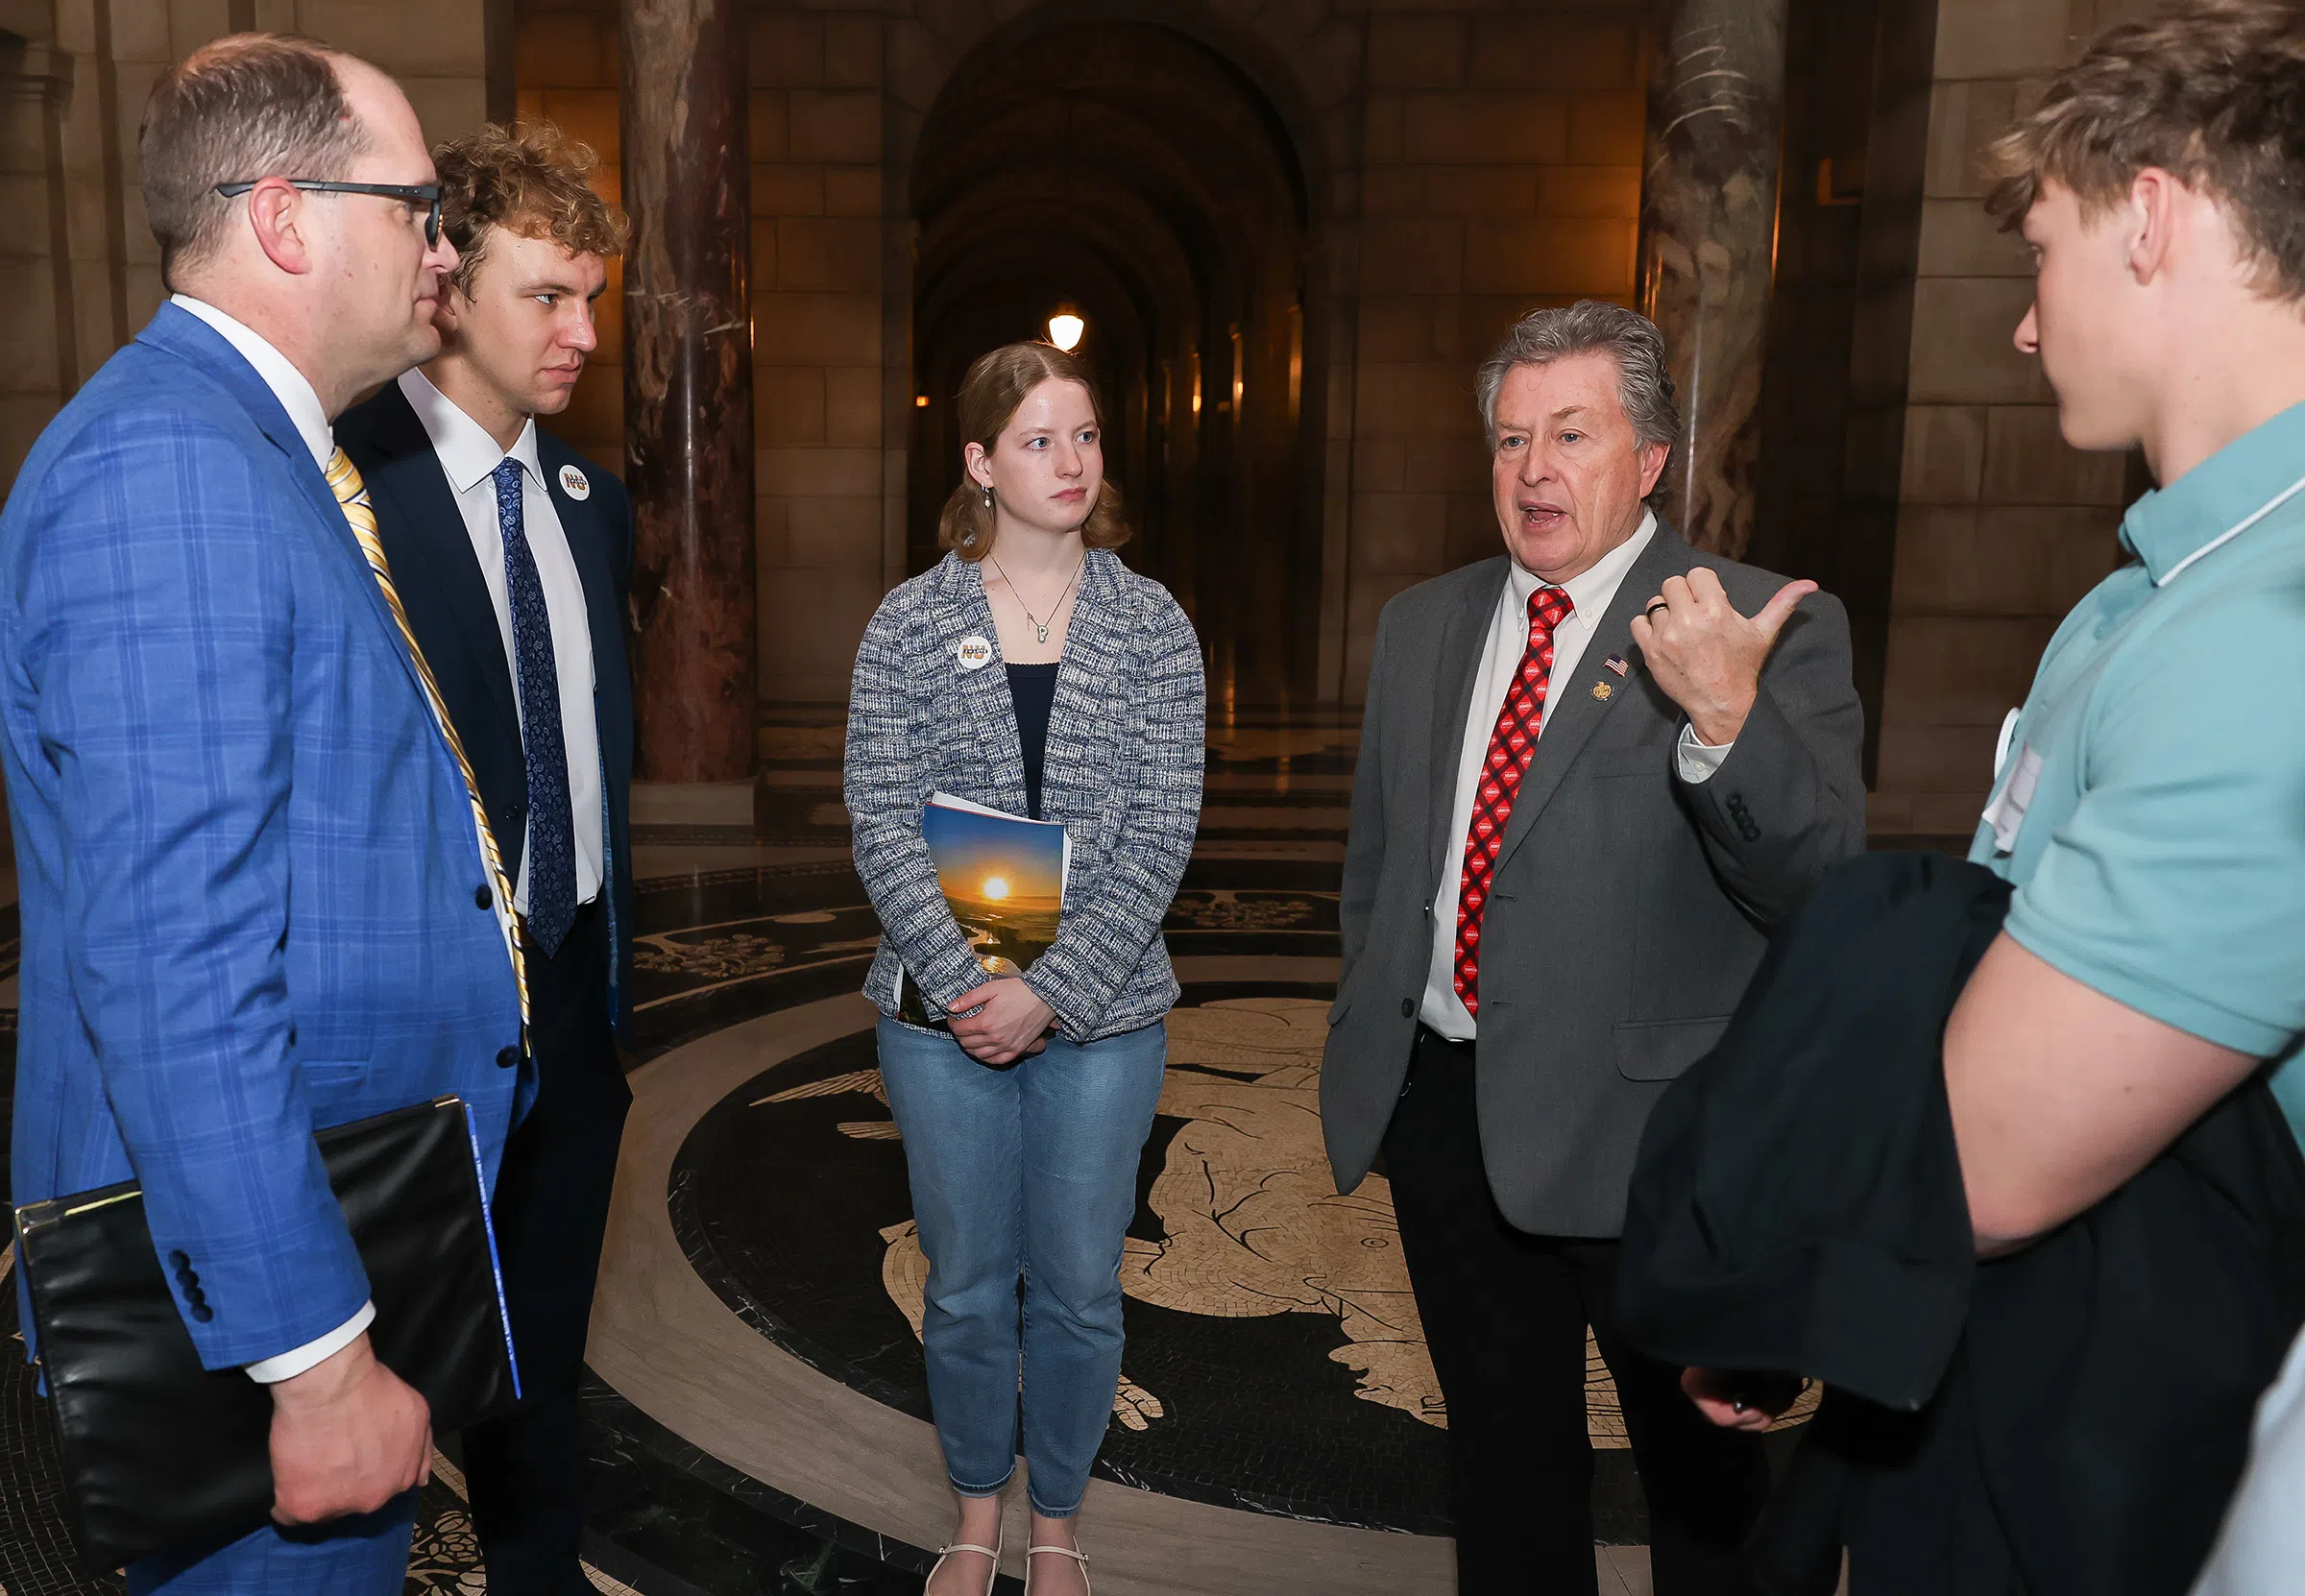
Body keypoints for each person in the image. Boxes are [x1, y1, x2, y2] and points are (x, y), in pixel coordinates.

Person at [1684, 0, 2305, 1570]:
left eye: (2041, 252)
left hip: (2156, 1424)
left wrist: (1774, 1249)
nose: (2025, 328)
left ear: (2150, 219)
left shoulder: (2272, 633)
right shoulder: (2140, 600)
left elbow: (1992, 1150)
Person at [0, 34, 526, 1595]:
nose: (444, 250)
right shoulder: (170, 467)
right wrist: (315, 1355)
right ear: (289, 218)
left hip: (338, 1210)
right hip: (248, 1305)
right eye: (420, 210)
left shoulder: (255, 448)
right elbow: (176, 964)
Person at [1321, 300, 1865, 1596]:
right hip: (1450, 1119)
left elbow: (1819, 883)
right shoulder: (1422, 624)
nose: (1534, 470)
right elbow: (1381, 867)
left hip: (1654, 1141)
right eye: (1512, 439)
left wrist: (1726, 719)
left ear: (1652, 458)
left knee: (1705, 1494)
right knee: (1505, 1471)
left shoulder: (1754, 622)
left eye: (1572, 434)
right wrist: (1377, 1036)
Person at [845, 341, 1203, 1596]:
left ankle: (1055, 1518)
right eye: (1039, 439)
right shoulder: (910, 621)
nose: (1070, 461)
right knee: (963, 1287)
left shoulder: (1151, 625)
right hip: (941, 1016)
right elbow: (881, 819)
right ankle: (975, 1510)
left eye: (1085, 436)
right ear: (981, 462)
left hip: (1105, 1017)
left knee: (1082, 1289)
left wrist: (1051, 989)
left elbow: (1162, 833)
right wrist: (967, 985)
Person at [334, 122, 634, 1596]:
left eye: (594, 298)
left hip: (570, 1003)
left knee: (543, 1350)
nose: (584, 333)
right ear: (446, 285)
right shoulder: (350, 490)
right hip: (422, 1021)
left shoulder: (589, 504)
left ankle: (536, 1568)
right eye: (548, 295)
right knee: (383, 1367)